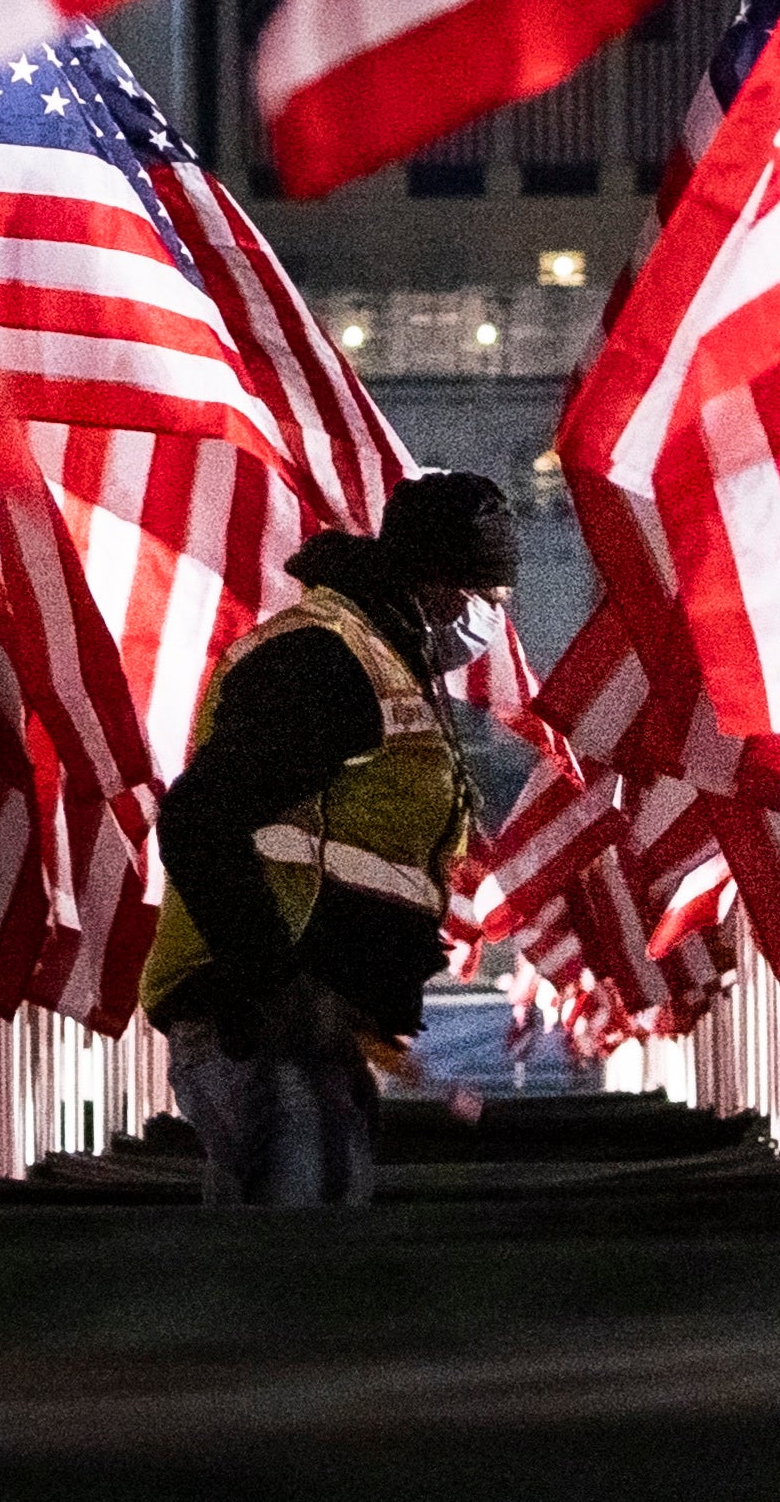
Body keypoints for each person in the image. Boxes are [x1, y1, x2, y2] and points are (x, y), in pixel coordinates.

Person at [140, 472, 518, 1204]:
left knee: (313, 1264)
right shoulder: (324, 660)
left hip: (307, 1030)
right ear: (438, 582)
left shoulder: (377, 657)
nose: (488, 621)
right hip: (261, 1024)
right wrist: (276, 985)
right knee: (297, 1277)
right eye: (486, 598)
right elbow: (199, 822)